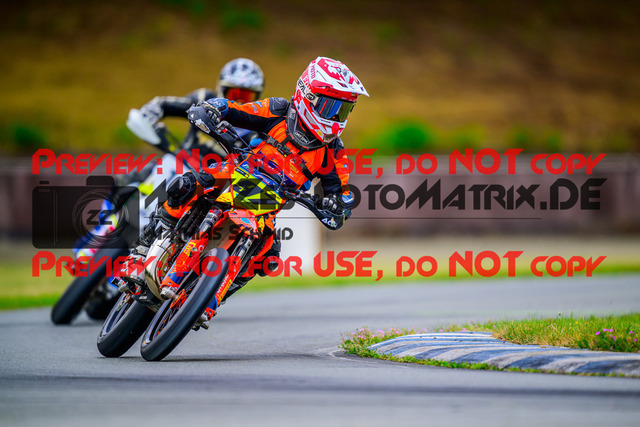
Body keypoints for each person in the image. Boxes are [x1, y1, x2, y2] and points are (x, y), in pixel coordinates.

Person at [137, 56, 368, 316]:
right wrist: (214, 108)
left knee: (269, 258)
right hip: (234, 172)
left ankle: (212, 297)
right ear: (307, 95)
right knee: (187, 185)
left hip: (269, 205)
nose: (335, 117)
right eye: (330, 107)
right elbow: (238, 110)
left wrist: (338, 204)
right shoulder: (280, 110)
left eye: (343, 110)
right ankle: (145, 245)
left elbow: (340, 191)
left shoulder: (333, 151)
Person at [138, 57, 265, 153]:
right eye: (235, 94)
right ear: (222, 89)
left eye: (247, 97)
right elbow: (161, 104)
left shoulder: (257, 132)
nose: (239, 102)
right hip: (179, 166)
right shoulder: (204, 99)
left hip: (218, 179)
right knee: (140, 174)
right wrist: (150, 116)